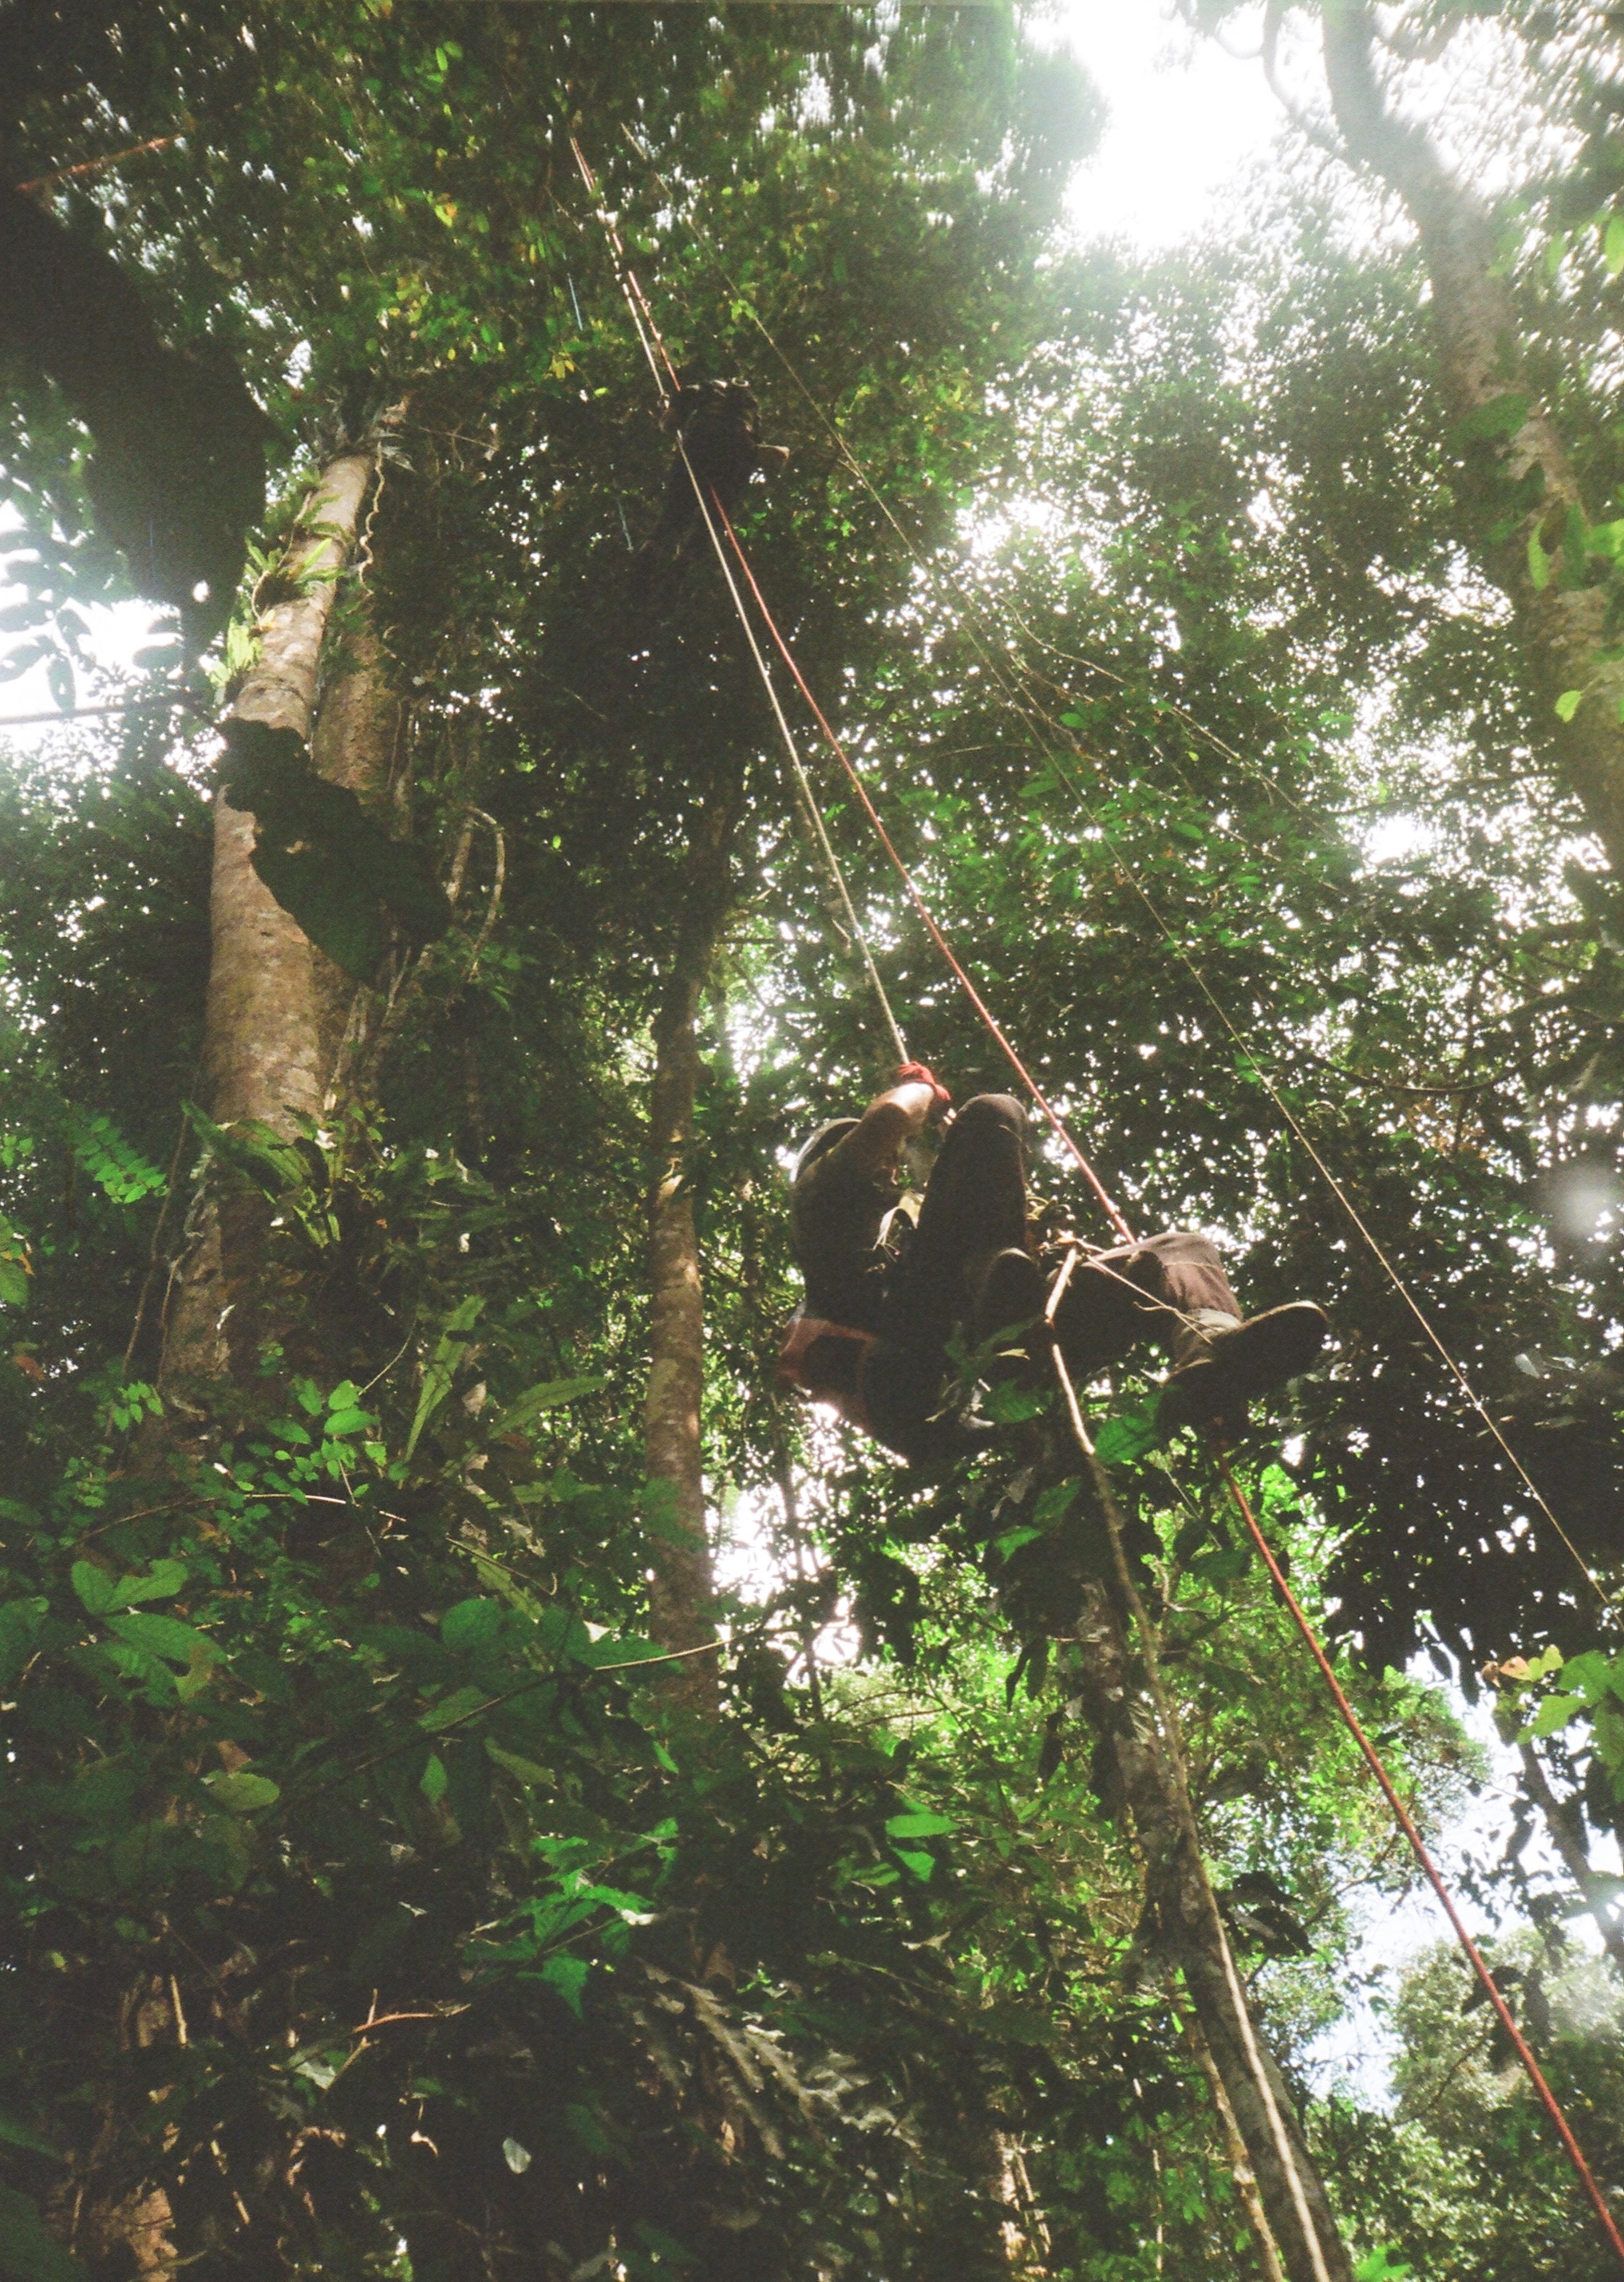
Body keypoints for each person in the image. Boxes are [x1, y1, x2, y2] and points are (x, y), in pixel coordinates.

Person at [777, 1065, 1328, 1465]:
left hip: (1000, 1328)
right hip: (926, 1342)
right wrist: (921, 1087)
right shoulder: (822, 1202)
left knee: (1180, 1250)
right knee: (994, 1111)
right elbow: (891, 1117)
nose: (890, 1167)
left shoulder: (900, 1226)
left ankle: (1210, 1351)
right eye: (877, 1158)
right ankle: (1002, 1297)